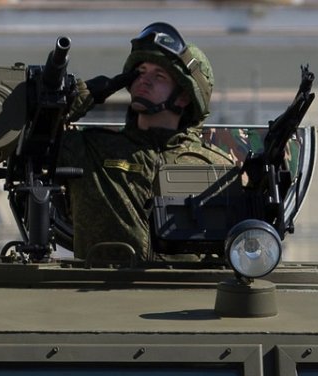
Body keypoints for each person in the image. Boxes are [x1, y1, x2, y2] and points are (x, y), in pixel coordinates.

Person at [56, 22, 236, 261]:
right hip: (99, 293)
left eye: (158, 75)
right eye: (139, 72)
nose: (144, 80)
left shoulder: (216, 167)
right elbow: (24, 141)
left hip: (187, 296)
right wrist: (82, 96)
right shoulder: (91, 150)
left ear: (184, 96)